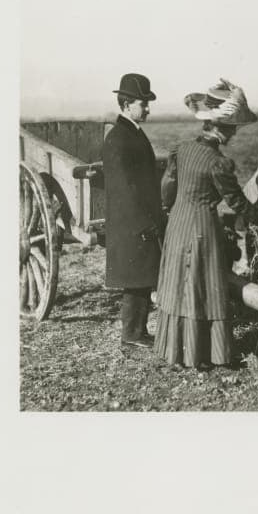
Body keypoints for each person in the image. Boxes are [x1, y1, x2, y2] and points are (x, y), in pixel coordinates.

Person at [152, 79, 258, 370]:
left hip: (177, 225)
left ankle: (176, 351)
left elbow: (167, 186)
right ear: (220, 126)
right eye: (232, 126)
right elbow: (236, 202)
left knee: (179, 286)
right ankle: (206, 353)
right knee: (203, 286)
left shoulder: (181, 150)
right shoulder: (217, 162)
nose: (234, 133)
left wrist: (172, 209)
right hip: (201, 230)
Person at [102, 73, 165, 348]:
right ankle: (131, 333)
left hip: (140, 219)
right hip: (131, 222)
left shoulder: (132, 134)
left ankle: (138, 331)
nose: (148, 108)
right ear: (127, 105)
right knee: (135, 276)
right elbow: (123, 190)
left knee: (142, 275)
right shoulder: (118, 139)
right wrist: (143, 223)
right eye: (143, 103)